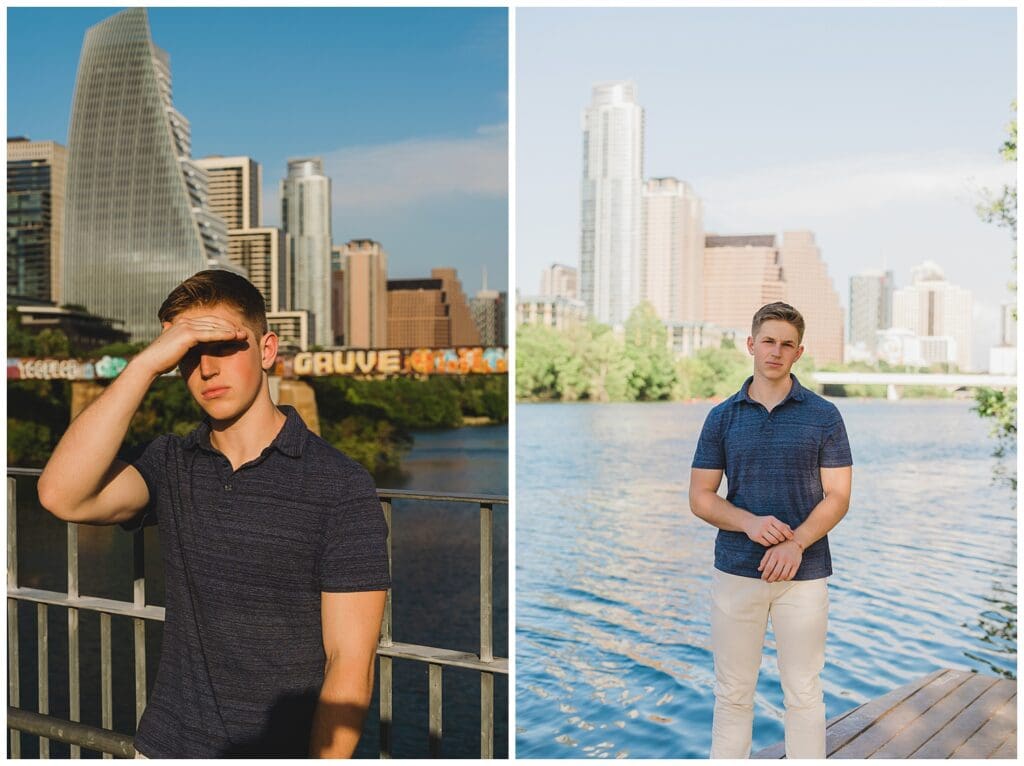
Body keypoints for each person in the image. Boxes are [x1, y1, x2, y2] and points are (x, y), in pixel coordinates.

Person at [38, 270, 390, 758]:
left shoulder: (340, 486)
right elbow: (61, 495)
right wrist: (144, 367)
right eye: (187, 354)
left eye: (223, 345)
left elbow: (349, 664)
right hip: (164, 746)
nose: (205, 369)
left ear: (267, 351)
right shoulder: (171, 463)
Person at [689, 302, 853, 759]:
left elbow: (838, 496)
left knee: (803, 693)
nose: (775, 352)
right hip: (737, 573)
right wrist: (749, 522)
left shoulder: (824, 416)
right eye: (768, 341)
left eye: (786, 344)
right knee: (733, 694)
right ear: (751, 345)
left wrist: (797, 541)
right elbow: (700, 495)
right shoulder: (722, 417)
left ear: (798, 352)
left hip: (804, 575)